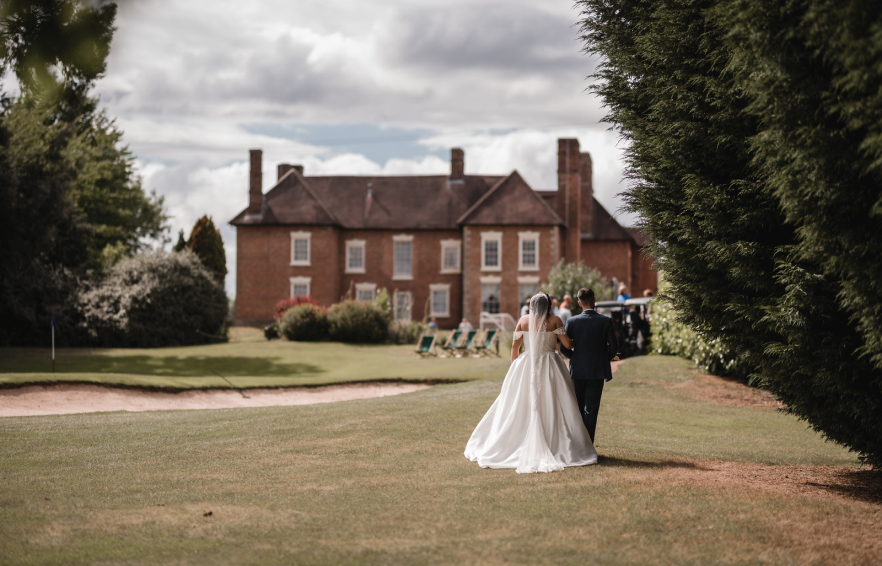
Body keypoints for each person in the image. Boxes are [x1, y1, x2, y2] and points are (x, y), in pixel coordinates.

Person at [464, 293, 597, 473]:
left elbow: (515, 347)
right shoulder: (555, 320)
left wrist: (514, 367)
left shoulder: (523, 320)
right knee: (554, 400)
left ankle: (513, 441)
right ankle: (558, 443)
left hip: (527, 364)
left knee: (519, 402)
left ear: (532, 306)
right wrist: (582, 340)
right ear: (549, 305)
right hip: (550, 364)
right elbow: (568, 344)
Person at [559, 287, 619, 443]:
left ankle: (578, 445)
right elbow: (614, 348)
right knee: (591, 410)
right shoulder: (605, 321)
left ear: (579, 302)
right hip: (596, 370)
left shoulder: (572, 321)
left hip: (577, 371)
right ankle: (588, 445)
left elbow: (563, 348)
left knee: (577, 409)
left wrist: (575, 357)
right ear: (594, 300)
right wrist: (603, 358)